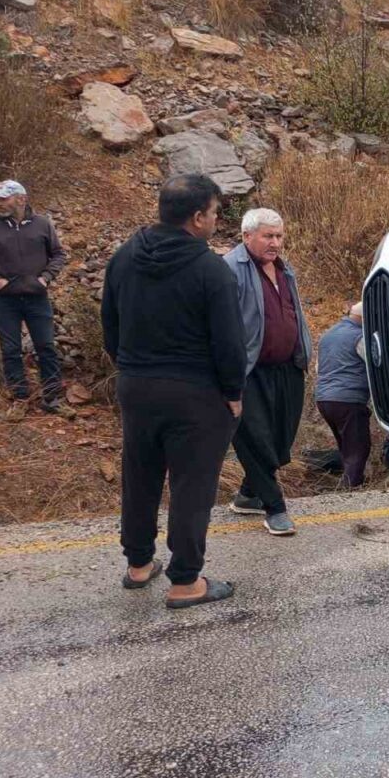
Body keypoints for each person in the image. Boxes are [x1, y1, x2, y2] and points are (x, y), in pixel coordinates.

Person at [101, 175, 246, 609]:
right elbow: (229, 342)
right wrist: (233, 391)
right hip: (195, 392)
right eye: (215, 213)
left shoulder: (125, 256)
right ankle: (185, 581)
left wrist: (131, 367)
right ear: (197, 217)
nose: (216, 220)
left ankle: (138, 563)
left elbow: (110, 323)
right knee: (191, 484)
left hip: (136, 385)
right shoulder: (210, 269)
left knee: (140, 473)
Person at [224, 208, 312, 537]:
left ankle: (248, 495)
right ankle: (275, 508)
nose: (275, 242)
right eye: (267, 236)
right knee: (255, 439)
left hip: (288, 368)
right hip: (249, 372)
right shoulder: (229, 269)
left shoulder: (284, 269)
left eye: (279, 236)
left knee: (280, 440)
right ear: (247, 236)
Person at [0, 180, 69, 413]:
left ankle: (52, 398)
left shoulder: (42, 224)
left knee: (46, 346)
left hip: (37, 297)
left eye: (3, 198)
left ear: (21, 199)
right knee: (10, 350)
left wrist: (45, 278)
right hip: (4, 299)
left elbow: (58, 254)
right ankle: (19, 400)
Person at [316, 302, 371, 488]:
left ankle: (350, 481)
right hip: (348, 399)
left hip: (323, 399)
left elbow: (318, 368)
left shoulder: (327, 335)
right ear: (364, 318)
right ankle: (351, 487)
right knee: (358, 446)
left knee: (346, 445)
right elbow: (375, 364)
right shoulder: (359, 336)